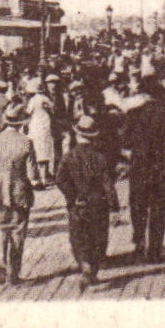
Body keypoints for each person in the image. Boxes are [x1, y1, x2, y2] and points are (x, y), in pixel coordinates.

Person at [0, 100, 42, 284]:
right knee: (18, 231)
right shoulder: (26, 143)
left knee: (0, 229)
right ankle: (14, 272)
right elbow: (33, 174)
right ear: (22, 122)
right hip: (19, 191)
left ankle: (0, 263)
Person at [54, 114, 120, 289]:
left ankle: (85, 266)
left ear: (77, 134)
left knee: (79, 237)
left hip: (78, 204)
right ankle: (93, 271)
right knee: (98, 238)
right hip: (99, 203)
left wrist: (72, 196)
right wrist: (114, 206)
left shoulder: (69, 157)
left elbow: (60, 179)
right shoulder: (100, 157)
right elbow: (108, 183)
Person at [122, 77, 165, 262]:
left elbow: (125, 142)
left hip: (140, 168)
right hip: (161, 170)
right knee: (158, 209)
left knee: (138, 206)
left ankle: (139, 242)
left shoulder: (133, 114)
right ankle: (155, 249)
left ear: (145, 95)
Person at [27, 79, 57, 184]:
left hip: (35, 126)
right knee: (44, 151)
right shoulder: (46, 99)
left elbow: (28, 111)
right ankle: (44, 177)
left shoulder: (33, 100)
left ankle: (37, 177)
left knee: (35, 151)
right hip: (44, 126)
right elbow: (53, 110)